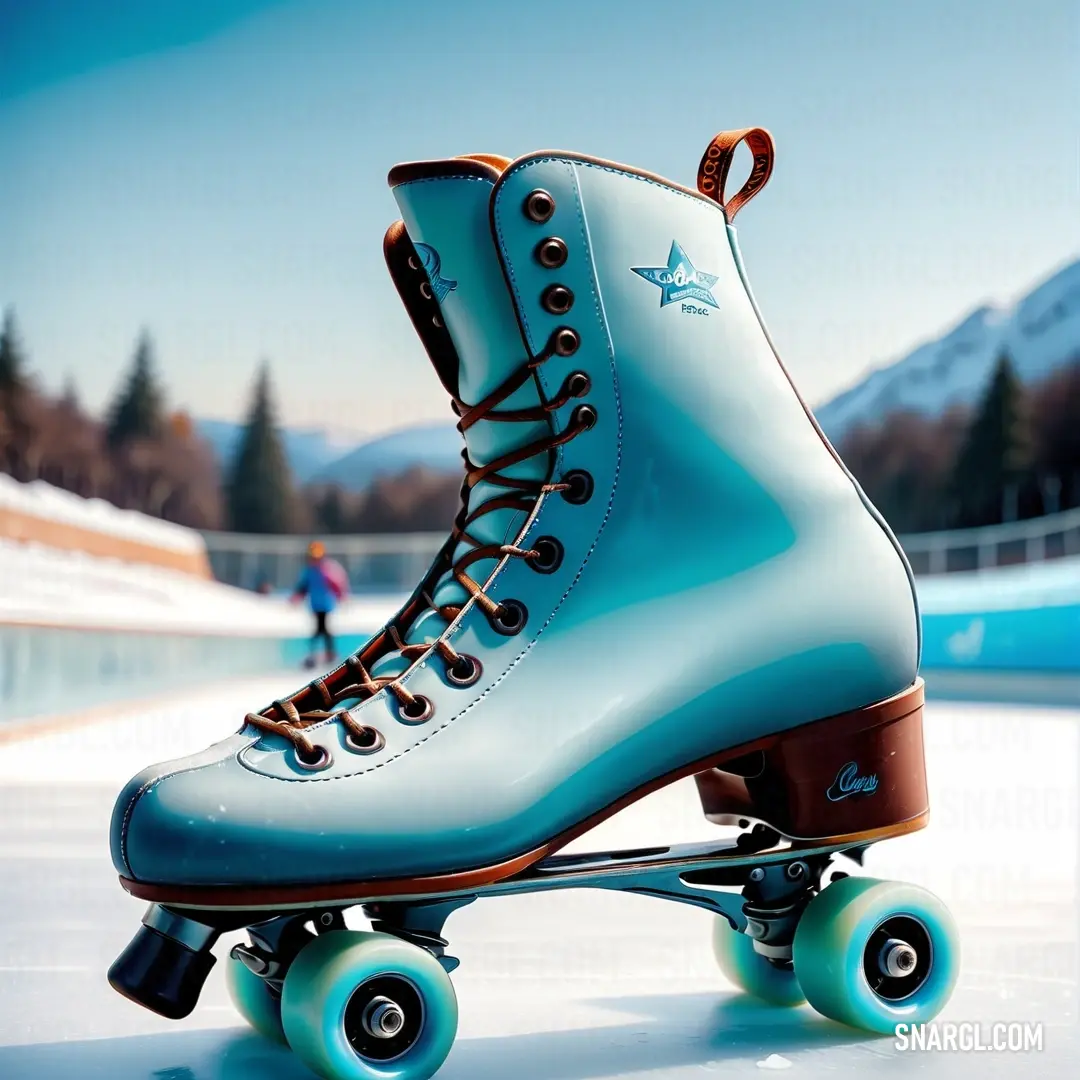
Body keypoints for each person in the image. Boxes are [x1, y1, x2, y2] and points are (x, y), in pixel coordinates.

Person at [291, 541, 348, 668]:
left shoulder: (326, 570)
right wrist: (296, 597)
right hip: (315, 604)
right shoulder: (310, 571)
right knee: (322, 629)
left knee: (322, 629)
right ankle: (325, 653)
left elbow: (336, 584)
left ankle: (323, 653)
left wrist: (341, 596)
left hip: (325, 604)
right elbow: (303, 587)